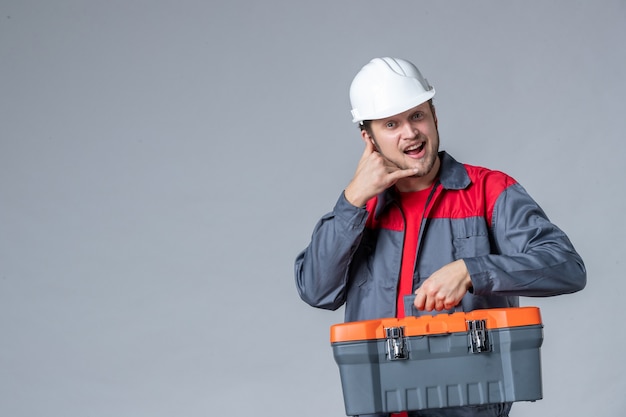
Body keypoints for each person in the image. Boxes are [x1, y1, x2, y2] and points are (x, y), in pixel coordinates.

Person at [294, 57, 586, 417]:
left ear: (434, 116)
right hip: (376, 408)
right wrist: (352, 199)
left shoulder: (488, 191)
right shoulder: (358, 210)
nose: (411, 133)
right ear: (368, 139)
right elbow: (316, 290)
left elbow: (567, 267)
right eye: (391, 124)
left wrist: (472, 270)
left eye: (417, 116)